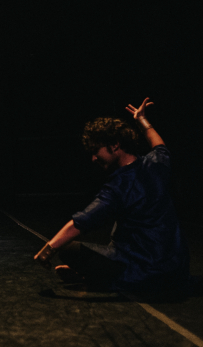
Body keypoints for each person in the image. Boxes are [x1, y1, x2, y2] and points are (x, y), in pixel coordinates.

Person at [34, 98, 190, 295]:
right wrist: (142, 120)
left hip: (144, 272)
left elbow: (81, 222)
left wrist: (47, 251)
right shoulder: (158, 163)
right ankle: (93, 274)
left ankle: (96, 277)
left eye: (95, 150)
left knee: (67, 249)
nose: (93, 158)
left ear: (115, 145)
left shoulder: (118, 186)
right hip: (176, 269)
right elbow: (159, 144)